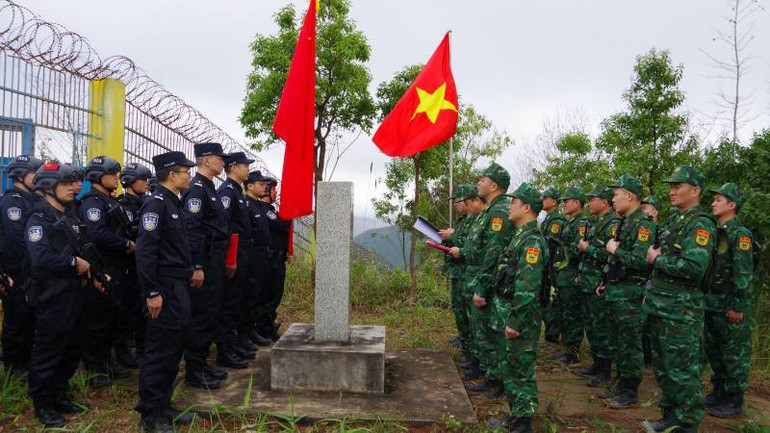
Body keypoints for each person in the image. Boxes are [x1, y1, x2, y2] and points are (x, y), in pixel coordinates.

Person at [26, 162, 104, 427]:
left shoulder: (71, 215)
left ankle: (60, 394)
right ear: (49, 186)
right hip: (53, 296)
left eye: (74, 182)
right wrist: (73, 263)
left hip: (76, 293)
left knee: (72, 348)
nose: (74, 187)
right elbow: (39, 259)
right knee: (50, 349)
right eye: (67, 183)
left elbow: (84, 249)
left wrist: (94, 274)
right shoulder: (39, 219)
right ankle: (42, 403)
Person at [645, 165, 715, 433]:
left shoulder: (700, 224)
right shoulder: (678, 220)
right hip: (663, 306)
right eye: (671, 187)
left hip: (681, 311)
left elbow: (695, 267)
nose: (671, 191)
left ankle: (687, 423)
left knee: (682, 369)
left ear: (695, 191)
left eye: (677, 187)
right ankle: (671, 416)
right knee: (664, 366)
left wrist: (657, 259)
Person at [134, 151, 197, 433]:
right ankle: (150, 414)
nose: (189, 176)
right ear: (172, 175)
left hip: (178, 285)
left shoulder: (174, 202)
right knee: (159, 350)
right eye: (185, 171)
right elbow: (146, 252)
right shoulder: (156, 204)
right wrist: (152, 292)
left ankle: (164, 406)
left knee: (174, 347)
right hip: (164, 286)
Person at [449, 162, 513, 399]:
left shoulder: (499, 212)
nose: (478, 182)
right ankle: (491, 377)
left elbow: (493, 253)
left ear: (494, 185)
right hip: (479, 278)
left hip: (490, 283)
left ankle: (496, 382)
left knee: (491, 335)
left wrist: (483, 286)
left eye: (483, 179)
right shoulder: (491, 211)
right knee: (483, 333)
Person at [182, 142, 242, 389]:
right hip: (204, 258)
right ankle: (194, 369)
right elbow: (192, 229)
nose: (223, 162)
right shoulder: (197, 189)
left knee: (211, 311)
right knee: (202, 312)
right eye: (220, 158)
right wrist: (196, 265)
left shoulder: (209, 188)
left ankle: (202, 363)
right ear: (206, 160)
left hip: (214, 257)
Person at [492, 183, 548, 433]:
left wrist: (515, 320)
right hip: (511, 309)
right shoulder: (520, 235)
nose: (509, 206)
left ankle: (524, 422)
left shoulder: (532, 241)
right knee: (510, 365)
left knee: (520, 368)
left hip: (523, 316)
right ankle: (517, 415)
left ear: (527, 208)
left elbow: (528, 286)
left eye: (514, 202)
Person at [602, 175, 656, 408]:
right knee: (619, 342)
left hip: (631, 294)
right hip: (617, 290)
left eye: (616, 194)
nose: (613, 199)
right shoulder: (626, 222)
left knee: (630, 343)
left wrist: (615, 250)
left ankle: (629, 390)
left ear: (629, 196)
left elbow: (641, 260)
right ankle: (621, 383)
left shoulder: (644, 224)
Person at [80, 156, 134, 387]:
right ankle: (94, 369)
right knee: (98, 321)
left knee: (112, 318)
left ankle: (106, 362)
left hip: (117, 266)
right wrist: (125, 244)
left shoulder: (109, 201)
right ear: (98, 177)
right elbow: (96, 234)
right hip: (104, 266)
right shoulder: (92, 202)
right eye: (112, 174)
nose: (116, 179)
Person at [704, 183, 755, 418]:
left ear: (732, 205)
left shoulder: (740, 234)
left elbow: (743, 273)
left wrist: (737, 306)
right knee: (715, 350)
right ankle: (719, 392)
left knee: (734, 352)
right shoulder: (716, 232)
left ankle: (734, 400)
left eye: (718, 200)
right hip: (712, 302)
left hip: (729, 304)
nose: (713, 203)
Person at [0, 155, 43, 375]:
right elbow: (16, 239)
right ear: (20, 175)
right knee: (17, 320)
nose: (38, 177)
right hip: (16, 270)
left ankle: (25, 362)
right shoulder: (13, 201)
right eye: (34, 173)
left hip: (31, 271)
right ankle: (13, 367)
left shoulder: (33, 199)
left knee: (30, 319)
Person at [576, 186, 620, 385]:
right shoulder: (597, 223)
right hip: (588, 282)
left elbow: (610, 255)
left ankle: (604, 369)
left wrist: (588, 249)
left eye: (593, 199)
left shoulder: (613, 224)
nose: (589, 203)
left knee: (602, 328)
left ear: (604, 202)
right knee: (592, 326)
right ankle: (596, 364)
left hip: (599, 283)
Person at [217, 152, 258, 359]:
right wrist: (231, 258)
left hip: (244, 251)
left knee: (239, 299)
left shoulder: (236, 191)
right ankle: (225, 349)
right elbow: (225, 226)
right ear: (234, 168)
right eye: (245, 165)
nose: (248, 169)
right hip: (235, 251)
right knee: (230, 301)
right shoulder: (227, 191)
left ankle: (232, 344)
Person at [115, 162, 153, 368]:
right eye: (142, 179)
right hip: (128, 267)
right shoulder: (121, 206)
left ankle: (144, 349)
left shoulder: (149, 203)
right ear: (129, 181)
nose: (147, 183)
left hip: (144, 266)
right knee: (128, 312)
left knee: (144, 311)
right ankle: (124, 354)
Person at [551, 187, 589, 365]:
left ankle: (573, 352)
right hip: (563, 274)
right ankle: (567, 348)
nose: (564, 204)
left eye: (567, 201)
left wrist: (561, 250)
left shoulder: (581, 223)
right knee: (564, 313)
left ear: (577, 203)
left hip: (572, 275)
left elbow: (578, 249)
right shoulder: (569, 222)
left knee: (572, 314)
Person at [454, 186, 486, 381]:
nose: (461, 205)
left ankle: (481, 365)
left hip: (476, 277)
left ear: (475, 201)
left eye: (464, 202)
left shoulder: (486, 218)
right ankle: (473, 357)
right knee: (469, 319)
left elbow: (480, 249)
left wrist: (460, 248)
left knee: (477, 324)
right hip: (469, 275)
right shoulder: (473, 219)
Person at [258, 177, 292, 341]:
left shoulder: (270, 210)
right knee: (269, 296)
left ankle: (268, 325)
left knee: (275, 295)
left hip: (277, 259)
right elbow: (281, 225)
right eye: (273, 190)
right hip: (270, 260)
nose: (276, 193)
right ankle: (264, 328)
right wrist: (290, 211)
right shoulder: (265, 210)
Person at [439, 185, 472, 350]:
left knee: (466, 309)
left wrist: (452, 236)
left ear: (467, 200)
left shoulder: (474, 220)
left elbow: (469, 244)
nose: (455, 205)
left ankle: (468, 342)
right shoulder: (463, 220)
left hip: (466, 271)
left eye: (457, 201)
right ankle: (463, 337)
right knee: (459, 308)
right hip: (457, 270)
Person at [243, 171, 273, 346]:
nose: (265, 187)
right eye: (261, 184)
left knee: (259, 294)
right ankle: (245, 333)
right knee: (250, 294)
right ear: (250, 186)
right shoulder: (246, 205)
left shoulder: (258, 205)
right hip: (252, 254)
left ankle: (252, 330)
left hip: (262, 254)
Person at [540, 187, 566, 344]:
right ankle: (552, 331)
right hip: (547, 264)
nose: (542, 200)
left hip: (552, 264)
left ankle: (553, 331)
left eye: (545, 198)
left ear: (554, 202)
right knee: (544, 297)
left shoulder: (556, 220)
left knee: (550, 298)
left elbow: (550, 243)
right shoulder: (548, 219)